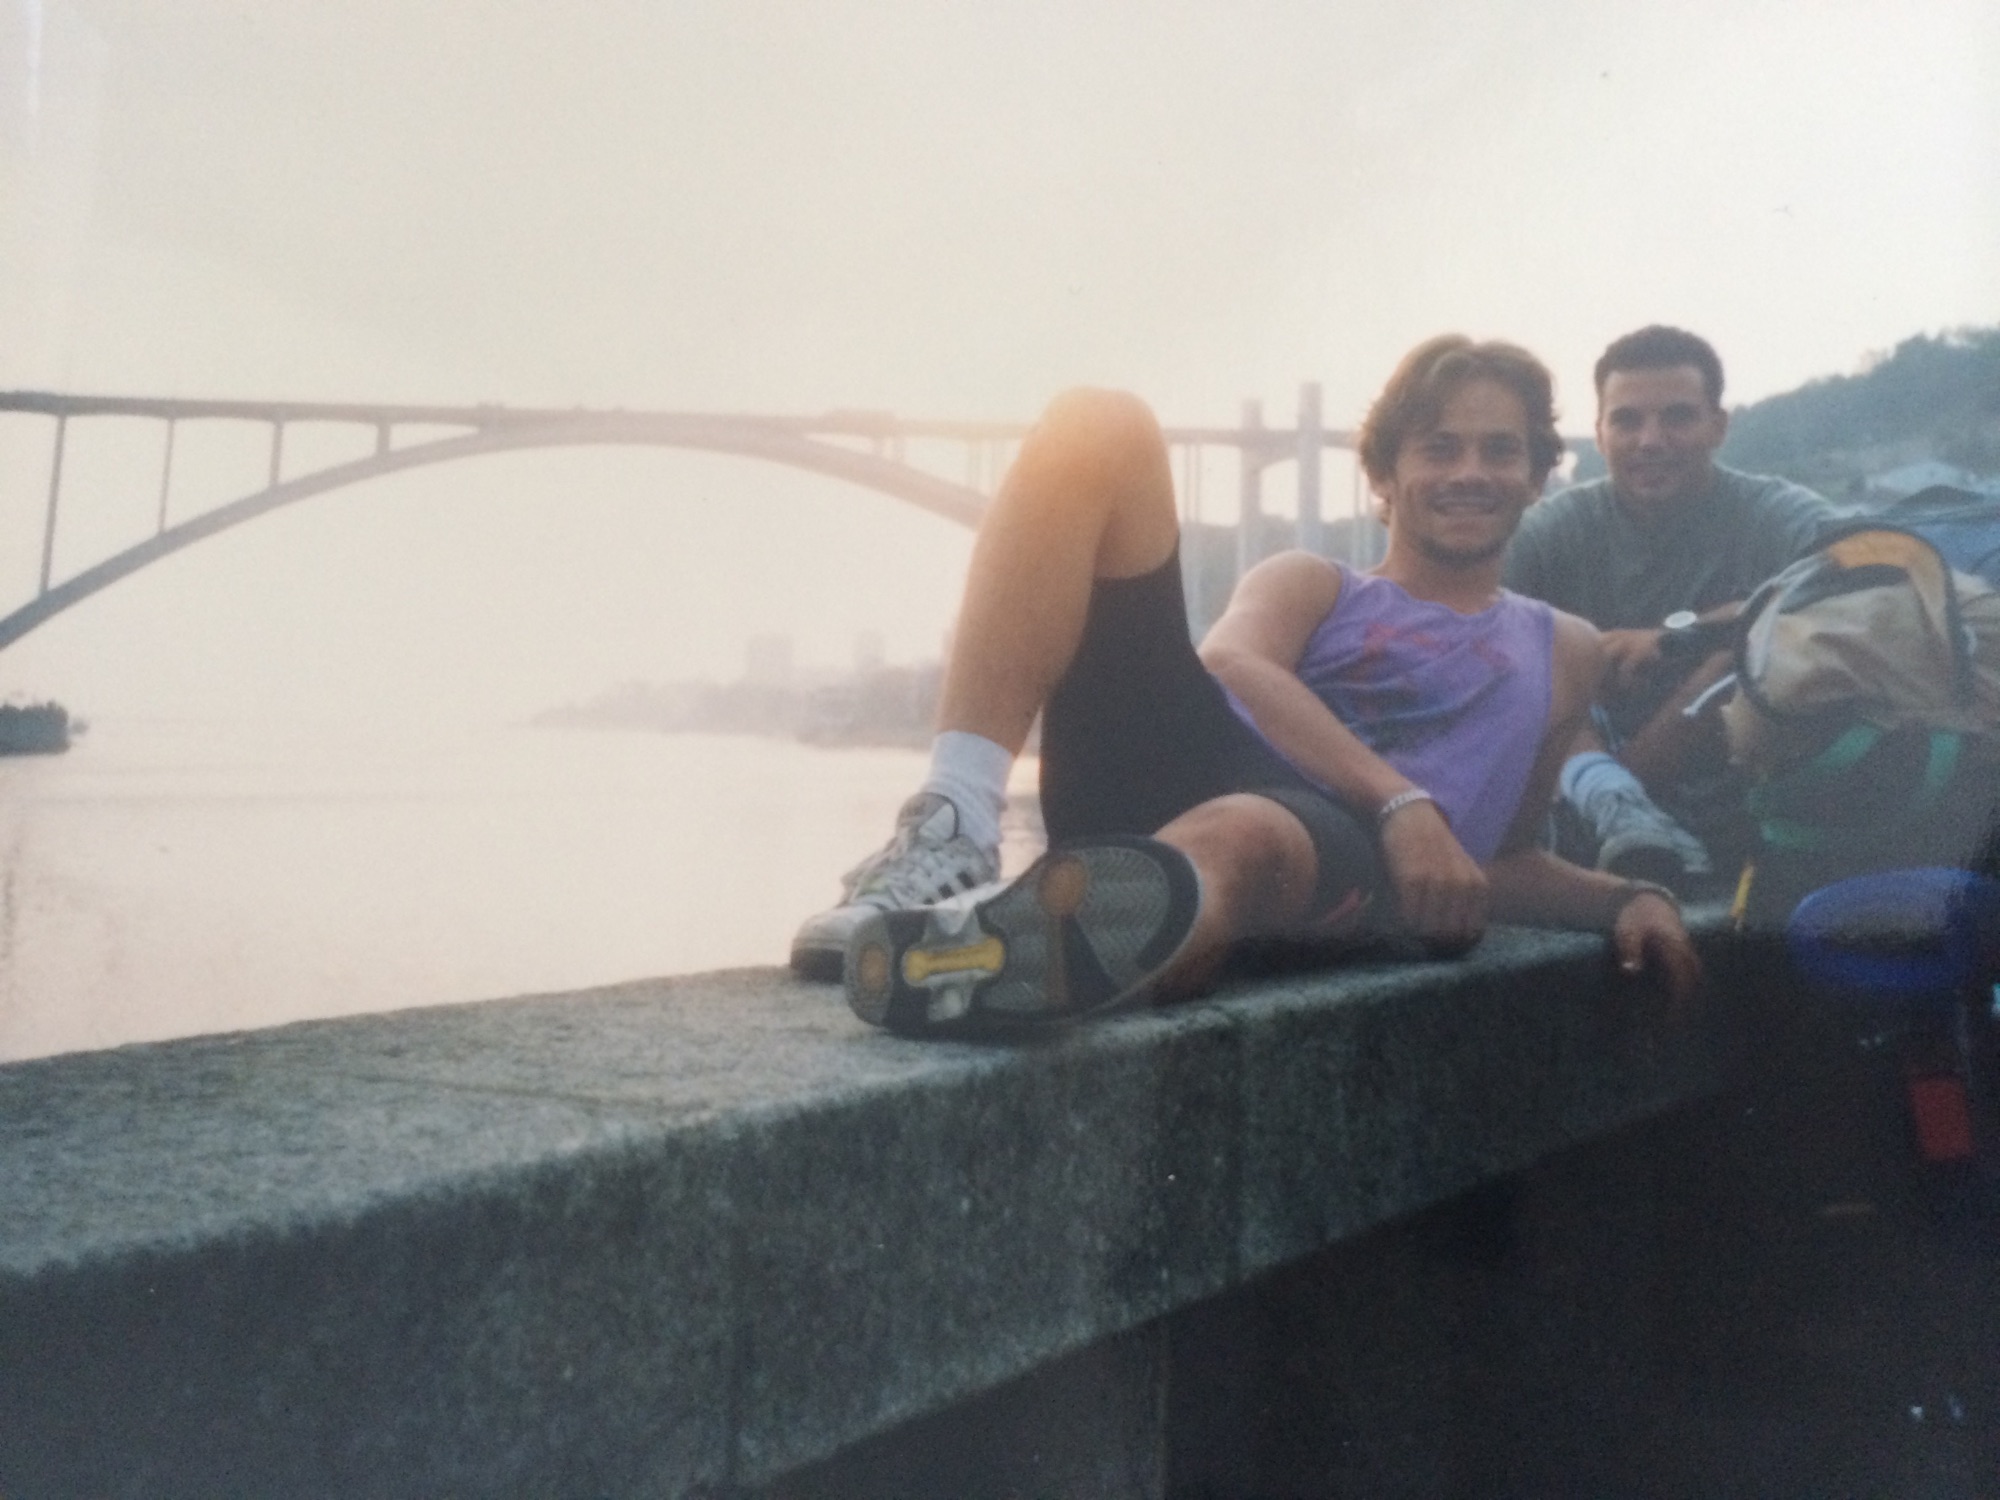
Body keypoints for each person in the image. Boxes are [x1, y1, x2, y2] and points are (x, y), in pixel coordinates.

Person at [792, 335, 1701, 1035]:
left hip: (1329, 857)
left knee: (1244, 834)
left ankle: (1046, 947)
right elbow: (1232, 664)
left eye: (1500, 451)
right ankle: (955, 830)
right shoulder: (1310, 583)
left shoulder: (1562, 648)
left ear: (1538, 476)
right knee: (1096, 422)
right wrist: (1403, 801)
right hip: (1189, 763)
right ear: (1385, 477)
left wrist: (1629, 898)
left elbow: (1500, 861)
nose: (1470, 472)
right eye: (1439, 448)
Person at [1503, 326, 1835, 888]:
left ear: (1718, 427)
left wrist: (1680, 636)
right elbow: (1464, 625)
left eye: (1677, 417)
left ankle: (1627, 801)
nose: (1650, 440)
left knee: (1744, 653)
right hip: (1578, 788)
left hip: (1750, 790)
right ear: (1600, 434)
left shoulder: (1773, 511)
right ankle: (1618, 803)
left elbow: (1874, 574)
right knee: (1533, 644)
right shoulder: (1549, 532)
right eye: (1627, 420)